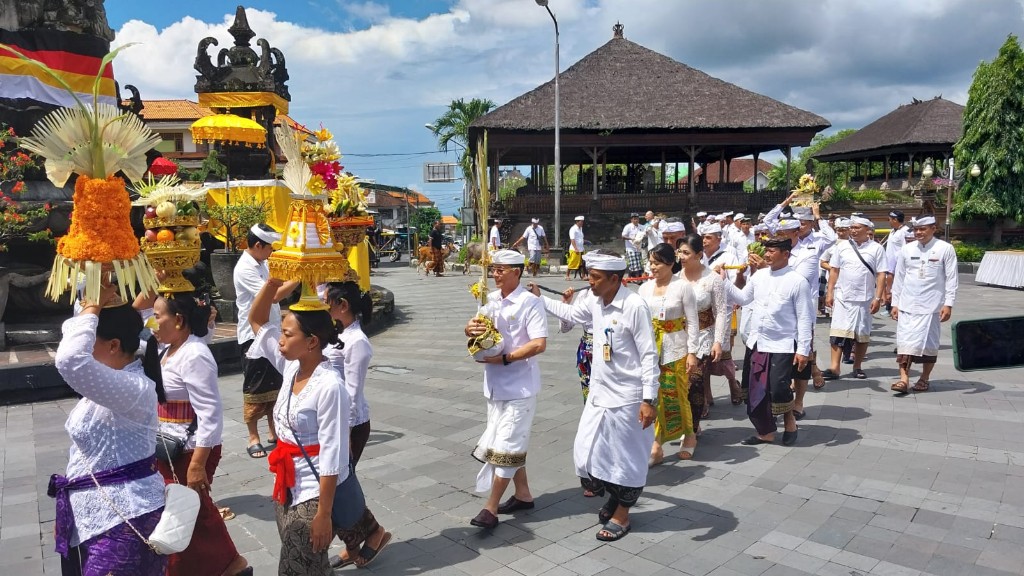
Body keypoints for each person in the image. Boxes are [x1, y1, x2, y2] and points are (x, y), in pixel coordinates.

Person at [249, 278, 390, 574]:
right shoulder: (291, 367)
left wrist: (325, 513)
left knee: (297, 567)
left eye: (288, 334)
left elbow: (333, 456)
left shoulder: (329, 386)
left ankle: (363, 532)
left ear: (312, 341)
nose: (281, 341)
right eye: (282, 334)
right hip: (286, 484)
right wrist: (274, 280)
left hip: (313, 489)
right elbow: (257, 319)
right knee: (305, 561)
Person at [532, 251, 658, 542]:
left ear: (615, 279)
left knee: (626, 458)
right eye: (589, 275)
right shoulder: (594, 300)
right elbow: (571, 314)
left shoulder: (634, 305)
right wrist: (539, 297)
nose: (589, 282)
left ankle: (622, 515)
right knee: (589, 452)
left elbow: (650, 355)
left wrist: (648, 399)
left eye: (596, 277)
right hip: (599, 392)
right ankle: (614, 497)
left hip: (629, 397)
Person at [51, 286, 167, 576]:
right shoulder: (110, 384)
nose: (84, 346)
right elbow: (71, 339)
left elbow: (70, 360)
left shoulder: (134, 388)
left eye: (91, 340)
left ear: (114, 346)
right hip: (100, 516)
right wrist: (93, 299)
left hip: (124, 519)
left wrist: (93, 308)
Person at [140, 291, 251, 576]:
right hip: (167, 445)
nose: (153, 322)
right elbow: (133, 319)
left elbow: (210, 414)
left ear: (178, 320)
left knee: (190, 509)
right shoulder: (167, 349)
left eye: (158, 316)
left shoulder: (195, 354)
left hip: (191, 449)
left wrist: (198, 463)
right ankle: (222, 566)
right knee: (186, 512)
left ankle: (229, 564)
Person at [465, 250, 548, 529]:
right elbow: (478, 327)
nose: (496, 274)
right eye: (494, 269)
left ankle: (490, 507)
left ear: (517, 271)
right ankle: (523, 495)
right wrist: (470, 330)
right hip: (494, 384)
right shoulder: (489, 299)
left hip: (520, 385)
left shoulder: (530, 303)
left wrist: (506, 357)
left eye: (501, 270)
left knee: (507, 444)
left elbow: (538, 344)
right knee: (509, 440)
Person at [726, 236, 814, 446]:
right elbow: (743, 298)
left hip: (782, 343)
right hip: (757, 342)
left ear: (786, 254)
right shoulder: (759, 277)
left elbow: (804, 318)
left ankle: (789, 420)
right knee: (755, 389)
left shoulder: (797, 281)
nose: (766, 255)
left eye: (772, 251)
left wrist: (803, 349)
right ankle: (765, 431)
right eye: (766, 250)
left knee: (778, 388)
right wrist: (723, 281)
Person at [321, 282, 380, 568]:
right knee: (337, 485)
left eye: (326, 301)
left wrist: (342, 432)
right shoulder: (337, 333)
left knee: (338, 485)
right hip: (331, 420)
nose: (323, 305)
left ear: (342, 305)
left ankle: (368, 535)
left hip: (350, 424)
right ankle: (361, 539)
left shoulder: (357, 342)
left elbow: (353, 393)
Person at [234, 223, 299, 459]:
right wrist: (302, 274)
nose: (272, 252)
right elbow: (274, 295)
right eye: (270, 247)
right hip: (253, 335)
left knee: (276, 385)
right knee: (255, 387)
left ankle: (274, 431)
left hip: (271, 330)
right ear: (258, 245)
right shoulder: (245, 268)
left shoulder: (264, 262)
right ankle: (253, 437)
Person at [638, 243, 699, 465]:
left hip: (675, 348)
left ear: (670, 264)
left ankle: (689, 434)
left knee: (676, 393)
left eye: (657, 263)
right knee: (652, 394)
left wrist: (692, 353)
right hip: (650, 348)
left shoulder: (682, 287)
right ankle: (656, 443)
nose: (652, 267)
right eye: (651, 262)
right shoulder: (644, 288)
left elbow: (692, 321)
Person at [890, 215, 958, 394]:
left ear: (933, 229)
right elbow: (899, 278)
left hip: (932, 306)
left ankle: (924, 378)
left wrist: (948, 304)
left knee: (929, 345)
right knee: (904, 343)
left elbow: (952, 279)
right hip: (907, 304)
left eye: (923, 229)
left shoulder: (945, 249)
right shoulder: (907, 249)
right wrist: (895, 303)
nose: (918, 232)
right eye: (916, 229)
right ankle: (903, 379)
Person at [675, 233, 731, 438]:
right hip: (677, 335)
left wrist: (718, 341)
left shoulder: (712, 279)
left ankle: (692, 425)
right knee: (678, 381)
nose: (681, 256)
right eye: (679, 251)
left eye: (686, 252)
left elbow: (722, 311)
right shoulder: (674, 277)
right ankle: (683, 420)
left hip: (702, 336)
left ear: (699, 254)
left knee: (694, 380)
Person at [824, 216, 888, 380]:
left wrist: (878, 297)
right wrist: (830, 292)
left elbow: (881, 274)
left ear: (868, 230)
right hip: (843, 297)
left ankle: (857, 366)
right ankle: (834, 367)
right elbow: (834, 270)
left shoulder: (876, 249)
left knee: (861, 334)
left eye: (857, 227)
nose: (853, 230)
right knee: (838, 333)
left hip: (864, 299)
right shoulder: (842, 247)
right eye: (852, 227)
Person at [700, 223, 741, 414]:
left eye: (708, 237)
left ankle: (733, 383)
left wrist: (717, 275)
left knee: (723, 354)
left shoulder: (729, 256)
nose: (705, 241)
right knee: (702, 356)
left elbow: (733, 285)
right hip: (702, 312)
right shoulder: (698, 257)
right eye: (703, 237)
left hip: (721, 311)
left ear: (718, 238)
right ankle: (706, 396)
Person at [882, 210, 907, 312]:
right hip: (889, 263)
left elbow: (906, 249)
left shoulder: (905, 231)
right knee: (888, 285)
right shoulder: (893, 231)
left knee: (897, 286)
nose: (889, 221)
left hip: (898, 264)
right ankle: (889, 306)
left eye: (890, 219)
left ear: (895, 219)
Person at [621, 213, 645, 278]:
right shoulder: (628, 227)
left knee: (637, 263)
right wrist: (631, 238)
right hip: (630, 248)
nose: (636, 220)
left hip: (638, 248)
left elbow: (645, 234)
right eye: (634, 219)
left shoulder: (641, 227)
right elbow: (623, 237)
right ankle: (638, 278)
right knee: (635, 264)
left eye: (637, 219)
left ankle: (629, 277)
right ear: (631, 220)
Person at [567, 215, 586, 280]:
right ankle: (567, 275)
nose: (582, 223)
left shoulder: (580, 229)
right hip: (575, 249)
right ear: (577, 222)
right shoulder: (573, 229)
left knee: (582, 263)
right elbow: (572, 239)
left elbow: (581, 238)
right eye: (581, 222)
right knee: (572, 262)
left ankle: (583, 276)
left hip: (581, 248)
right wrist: (575, 248)